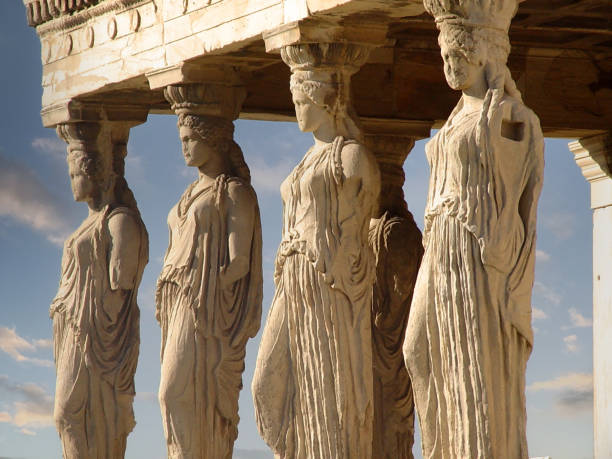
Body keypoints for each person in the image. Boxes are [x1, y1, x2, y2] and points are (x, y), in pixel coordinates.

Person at [403, 1, 545, 457]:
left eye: (456, 54)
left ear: (482, 53)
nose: (447, 64)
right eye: (444, 54)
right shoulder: (453, 121)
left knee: (476, 365)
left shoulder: (507, 115)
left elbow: (520, 187)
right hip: (440, 244)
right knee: (418, 349)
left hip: (477, 247)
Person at [252, 43, 380, 458]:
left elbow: (358, 233)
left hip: (327, 286)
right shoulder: (306, 160)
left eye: (301, 101)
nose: (297, 110)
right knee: (266, 385)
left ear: (324, 101)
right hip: (293, 281)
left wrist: (341, 270)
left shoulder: (352, 157)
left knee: (328, 388)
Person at [156, 114, 262, 459]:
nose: (183, 147)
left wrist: (207, 288)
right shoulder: (190, 191)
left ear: (213, 139)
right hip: (175, 298)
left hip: (202, 301)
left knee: (173, 392)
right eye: (182, 139)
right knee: (174, 395)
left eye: (190, 139)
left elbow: (240, 262)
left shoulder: (233, 191)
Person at [51, 123, 148, 459]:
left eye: (74, 173)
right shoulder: (89, 222)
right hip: (73, 328)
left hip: (94, 334)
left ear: (91, 173)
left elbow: (121, 284)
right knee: (70, 417)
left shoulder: (118, 220)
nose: (71, 181)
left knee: (68, 414)